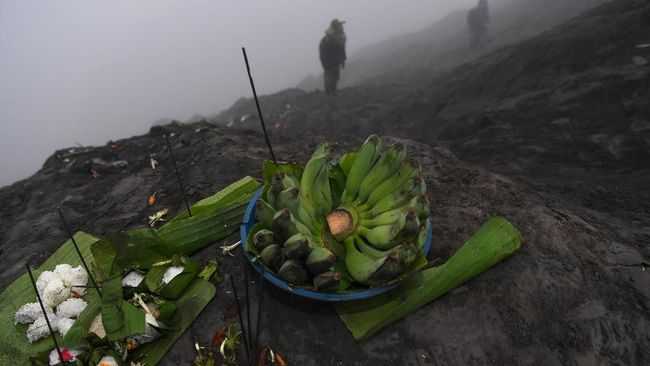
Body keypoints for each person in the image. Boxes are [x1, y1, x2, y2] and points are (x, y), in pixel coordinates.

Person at [319, 19, 347, 96]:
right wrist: (325, 63)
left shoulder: (339, 36)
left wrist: (343, 60)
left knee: (335, 76)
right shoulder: (329, 38)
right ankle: (329, 94)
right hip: (329, 61)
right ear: (336, 27)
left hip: (334, 60)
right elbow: (324, 51)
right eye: (339, 25)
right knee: (330, 76)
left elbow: (341, 48)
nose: (341, 27)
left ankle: (333, 92)